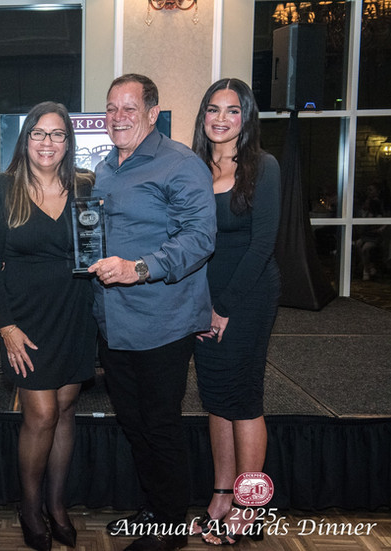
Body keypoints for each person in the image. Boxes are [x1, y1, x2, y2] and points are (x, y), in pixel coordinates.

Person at [88, 74, 216, 551]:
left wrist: (141, 268)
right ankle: (153, 509)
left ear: (151, 112)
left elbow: (201, 238)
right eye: (110, 108)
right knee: (134, 423)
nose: (117, 117)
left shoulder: (180, 164)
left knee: (160, 425)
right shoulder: (105, 168)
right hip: (114, 321)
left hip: (163, 319)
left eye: (128, 108)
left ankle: (169, 527)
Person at [0, 101, 97, 551]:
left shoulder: (86, 185)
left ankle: (57, 505)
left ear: (69, 142)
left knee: (66, 410)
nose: (48, 143)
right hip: (25, 319)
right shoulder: (3, 188)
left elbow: (95, 246)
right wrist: (5, 326)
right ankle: (29, 507)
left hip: (75, 313)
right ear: (26, 140)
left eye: (57, 135)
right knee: (41, 413)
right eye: (39, 134)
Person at [190, 78, 280, 546]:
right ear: (202, 115)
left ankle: (249, 506)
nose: (220, 118)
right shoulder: (192, 168)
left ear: (245, 118)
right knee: (215, 398)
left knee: (243, 400)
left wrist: (222, 308)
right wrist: (200, 306)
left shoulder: (263, 166)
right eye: (212, 109)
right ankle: (221, 495)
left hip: (246, 298)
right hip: (202, 302)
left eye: (232, 110)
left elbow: (263, 245)